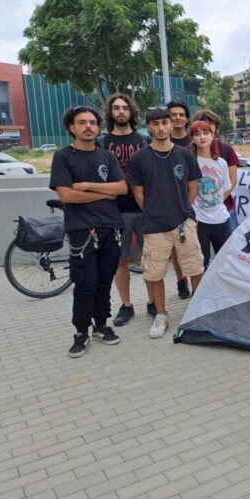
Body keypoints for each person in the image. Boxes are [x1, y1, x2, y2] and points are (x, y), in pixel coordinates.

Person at [49, 106, 127, 357]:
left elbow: (122, 189)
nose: (89, 126)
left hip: (111, 227)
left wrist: (88, 188)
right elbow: (66, 194)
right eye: (82, 122)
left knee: (104, 279)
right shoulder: (63, 157)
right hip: (82, 230)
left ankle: (101, 326)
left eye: (93, 122)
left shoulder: (107, 156)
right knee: (85, 281)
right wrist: (104, 192)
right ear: (72, 128)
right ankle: (81, 331)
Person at [127, 107, 204, 339]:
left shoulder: (185, 154)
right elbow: (138, 193)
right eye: (155, 124)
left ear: (172, 125)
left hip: (184, 223)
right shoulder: (139, 158)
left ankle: (198, 312)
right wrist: (154, 212)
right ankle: (161, 314)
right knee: (154, 272)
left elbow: (193, 187)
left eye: (165, 123)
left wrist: (183, 211)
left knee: (195, 268)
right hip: (154, 226)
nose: (161, 128)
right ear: (148, 127)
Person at [100, 93, 155, 326]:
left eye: (125, 108)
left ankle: (154, 302)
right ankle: (126, 305)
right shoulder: (102, 143)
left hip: (144, 209)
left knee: (150, 259)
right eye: (116, 108)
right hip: (115, 212)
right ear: (110, 113)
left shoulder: (143, 140)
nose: (121, 112)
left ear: (131, 112)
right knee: (120, 261)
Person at [189, 120, 233, 269]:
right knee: (201, 261)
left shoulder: (221, 163)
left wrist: (215, 202)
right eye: (197, 134)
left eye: (206, 133)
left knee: (225, 261)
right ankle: (201, 291)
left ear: (213, 135)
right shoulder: (190, 161)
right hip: (199, 221)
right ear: (192, 138)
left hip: (221, 219)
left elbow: (226, 188)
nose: (202, 137)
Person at [192, 109, 239, 229]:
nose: (206, 125)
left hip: (224, 208)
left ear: (216, 128)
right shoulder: (189, 153)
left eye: (210, 123)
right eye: (202, 122)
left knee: (228, 246)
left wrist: (216, 201)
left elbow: (232, 180)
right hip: (198, 213)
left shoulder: (226, 149)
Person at [166, 99, 193, 298]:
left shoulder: (195, 140)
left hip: (194, 202)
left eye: (181, 114)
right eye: (173, 115)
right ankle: (180, 280)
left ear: (187, 119)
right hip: (170, 203)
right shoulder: (162, 143)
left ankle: (197, 284)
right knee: (176, 247)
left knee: (194, 247)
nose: (177, 118)